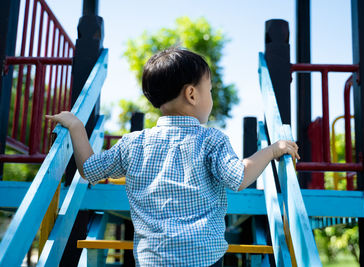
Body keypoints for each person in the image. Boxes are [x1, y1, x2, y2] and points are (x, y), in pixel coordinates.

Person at [46, 47, 300, 267]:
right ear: (192, 94)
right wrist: (272, 150)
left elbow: (89, 169)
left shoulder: (134, 143)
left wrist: (77, 127)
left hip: (152, 258)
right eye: (209, 91)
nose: (210, 98)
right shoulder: (211, 140)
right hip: (203, 257)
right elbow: (240, 177)